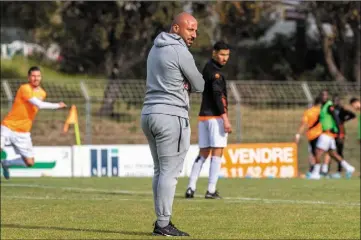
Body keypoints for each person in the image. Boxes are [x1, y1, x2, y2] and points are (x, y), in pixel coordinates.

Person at [141, 12, 204, 237]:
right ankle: (163, 223)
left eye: (196, 30)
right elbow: (199, 84)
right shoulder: (179, 50)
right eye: (190, 29)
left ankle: (161, 220)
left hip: (148, 113)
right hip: (171, 116)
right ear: (176, 28)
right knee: (170, 173)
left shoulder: (154, 48)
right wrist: (187, 81)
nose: (195, 34)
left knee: (160, 171)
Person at [1, 66, 67, 179]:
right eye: (33, 76)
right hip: (8, 126)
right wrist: (57, 105)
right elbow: (39, 104)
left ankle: (6, 163)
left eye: (38, 76)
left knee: (30, 162)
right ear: (28, 77)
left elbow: (37, 106)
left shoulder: (42, 93)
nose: (36, 78)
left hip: (23, 132)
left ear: (41, 77)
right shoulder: (24, 88)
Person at [185, 41, 231, 199]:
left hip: (203, 116)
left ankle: (191, 187)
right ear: (214, 53)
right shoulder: (216, 73)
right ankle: (211, 190)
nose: (225, 58)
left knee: (203, 153)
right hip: (215, 117)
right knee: (217, 152)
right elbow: (218, 96)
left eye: (227, 55)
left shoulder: (206, 67)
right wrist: (225, 118)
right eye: (222, 54)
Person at [309, 90, 355, 179]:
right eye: (322, 95)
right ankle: (349, 168)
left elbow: (336, 118)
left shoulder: (329, 106)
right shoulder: (323, 107)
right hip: (327, 134)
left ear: (328, 97)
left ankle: (315, 173)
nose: (324, 96)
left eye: (325, 95)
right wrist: (312, 126)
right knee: (333, 154)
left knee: (318, 152)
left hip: (328, 133)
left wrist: (339, 132)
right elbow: (319, 119)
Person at [294, 96, 330, 177]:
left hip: (312, 135)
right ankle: (323, 171)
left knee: (314, 154)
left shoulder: (308, 112)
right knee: (327, 152)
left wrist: (298, 134)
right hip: (324, 134)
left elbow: (304, 124)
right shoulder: (323, 111)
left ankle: (315, 171)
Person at [322, 95, 355, 178]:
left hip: (340, 132)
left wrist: (344, 120)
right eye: (334, 100)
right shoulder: (331, 109)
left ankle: (339, 171)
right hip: (333, 132)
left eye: (337, 100)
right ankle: (326, 171)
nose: (335, 102)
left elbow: (352, 115)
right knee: (330, 151)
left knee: (338, 152)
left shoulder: (342, 109)